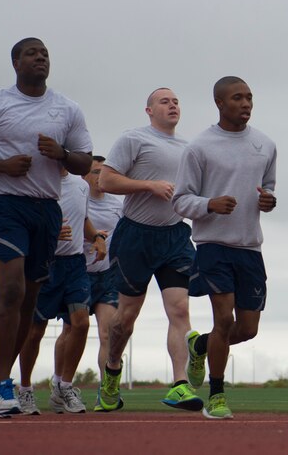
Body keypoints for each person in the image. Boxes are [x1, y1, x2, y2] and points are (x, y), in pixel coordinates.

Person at [0, 37, 93, 418]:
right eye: (32, 53)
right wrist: (1, 166)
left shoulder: (67, 109)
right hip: (2, 204)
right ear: (15, 62)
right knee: (11, 288)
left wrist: (62, 154)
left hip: (46, 209)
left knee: (31, 303)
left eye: (45, 53)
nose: (40, 58)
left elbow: (84, 162)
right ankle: (2, 386)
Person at [173, 77, 278, 419]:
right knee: (223, 318)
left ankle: (200, 345)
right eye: (237, 98)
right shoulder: (200, 147)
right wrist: (209, 205)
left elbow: (268, 190)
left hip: (250, 246)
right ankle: (216, 396)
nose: (246, 103)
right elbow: (180, 201)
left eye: (249, 97)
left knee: (247, 329)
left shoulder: (265, 144)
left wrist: (268, 202)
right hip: (213, 245)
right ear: (220, 103)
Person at [95, 88, 203, 412]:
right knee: (126, 319)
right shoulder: (134, 139)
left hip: (175, 237)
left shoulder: (190, 149)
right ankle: (112, 372)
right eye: (164, 101)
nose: (172, 105)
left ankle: (180, 384)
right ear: (149, 110)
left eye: (176, 101)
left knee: (180, 310)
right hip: (135, 237)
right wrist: (149, 185)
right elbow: (105, 182)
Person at [16, 168, 106, 415]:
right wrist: (50, 234)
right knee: (35, 332)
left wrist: (96, 236)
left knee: (81, 323)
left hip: (75, 265)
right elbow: (23, 224)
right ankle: (24, 389)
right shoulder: (35, 182)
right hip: (44, 264)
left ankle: (64, 387)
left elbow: (83, 218)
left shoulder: (81, 185)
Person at [81, 156, 123, 383]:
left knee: (108, 334)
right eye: (96, 172)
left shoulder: (118, 204)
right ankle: (61, 383)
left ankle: (107, 387)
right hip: (79, 273)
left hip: (108, 276)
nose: (101, 177)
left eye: (105, 172)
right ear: (83, 176)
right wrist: (93, 237)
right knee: (73, 331)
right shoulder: (76, 200)